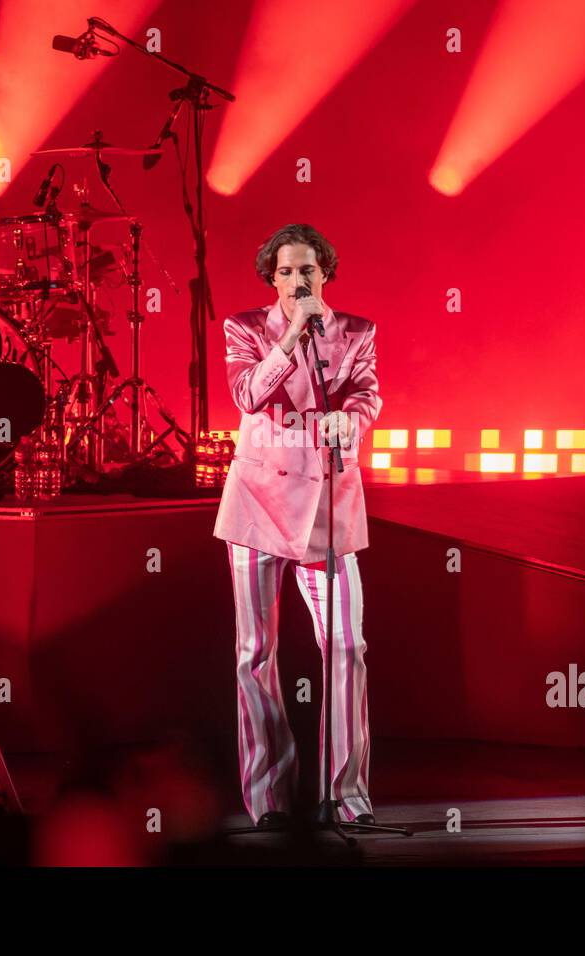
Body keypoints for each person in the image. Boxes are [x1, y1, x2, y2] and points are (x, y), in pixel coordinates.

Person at [212, 223, 382, 828]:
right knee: (255, 654)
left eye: (307, 269)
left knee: (346, 646)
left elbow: (367, 393)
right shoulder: (245, 328)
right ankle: (269, 802)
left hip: (326, 507)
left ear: (325, 273)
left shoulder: (357, 332)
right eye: (285, 271)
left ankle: (346, 796)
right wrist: (288, 338)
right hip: (257, 502)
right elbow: (247, 396)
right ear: (272, 276)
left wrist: (353, 421)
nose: (297, 280)